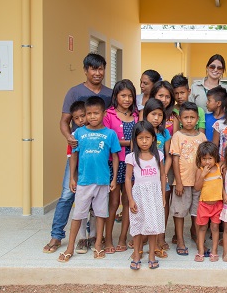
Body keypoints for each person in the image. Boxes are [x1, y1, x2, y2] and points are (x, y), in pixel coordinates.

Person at [43, 53, 112, 254]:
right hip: (79, 152)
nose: (97, 73)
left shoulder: (109, 94)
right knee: (67, 194)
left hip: (100, 153)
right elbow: (64, 121)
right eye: (93, 69)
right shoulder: (74, 92)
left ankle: (88, 237)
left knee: (98, 196)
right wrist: (69, 138)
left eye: (100, 69)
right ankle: (56, 236)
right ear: (85, 70)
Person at [57, 96, 121, 263]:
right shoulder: (78, 133)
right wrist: (72, 177)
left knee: (101, 214)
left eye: (96, 113)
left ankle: (98, 244)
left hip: (102, 181)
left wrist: (113, 179)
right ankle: (70, 247)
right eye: (89, 114)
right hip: (84, 181)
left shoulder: (110, 134)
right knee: (78, 215)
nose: (92, 117)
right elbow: (73, 155)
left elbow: (115, 157)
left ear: (103, 113)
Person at [102, 79, 138, 255]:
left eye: (130, 95)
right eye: (123, 95)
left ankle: (123, 237)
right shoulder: (108, 115)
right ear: (116, 96)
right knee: (113, 202)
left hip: (132, 164)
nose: (127, 99)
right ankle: (108, 238)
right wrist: (130, 142)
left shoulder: (136, 116)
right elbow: (108, 140)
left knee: (127, 202)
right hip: (115, 164)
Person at [125, 121, 166, 270]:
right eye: (140, 138)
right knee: (137, 224)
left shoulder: (158, 155)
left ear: (153, 138)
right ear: (135, 139)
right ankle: (136, 254)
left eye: (147, 137)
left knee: (153, 225)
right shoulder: (131, 157)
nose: (144, 141)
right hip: (139, 196)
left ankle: (152, 255)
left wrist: (162, 195)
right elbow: (128, 179)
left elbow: (162, 174)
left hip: (154, 195)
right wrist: (130, 199)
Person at [169, 102, 207, 257]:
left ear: (197, 118)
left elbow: (206, 159)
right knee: (179, 213)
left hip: (199, 182)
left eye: (192, 117)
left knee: (197, 213)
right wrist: (178, 181)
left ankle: (199, 241)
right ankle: (180, 241)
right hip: (183, 182)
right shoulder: (177, 136)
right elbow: (175, 160)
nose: (189, 120)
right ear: (180, 118)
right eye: (186, 117)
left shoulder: (202, 136)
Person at [66, 101, 97, 255]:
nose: (80, 120)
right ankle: (82, 238)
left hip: (96, 177)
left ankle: (94, 236)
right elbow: (72, 157)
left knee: (95, 209)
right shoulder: (75, 137)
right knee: (82, 209)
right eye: (76, 118)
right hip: (82, 177)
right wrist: (73, 178)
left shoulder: (99, 133)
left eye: (82, 116)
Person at [142, 98, 172, 255]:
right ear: (146, 114)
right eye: (153, 114)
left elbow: (169, 156)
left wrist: (164, 173)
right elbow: (135, 154)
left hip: (160, 177)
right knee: (144, 207)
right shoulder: (140, 130)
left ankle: (160, 237)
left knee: (162, 206)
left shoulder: (165, 133)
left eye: (160, 115)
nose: (156, 118)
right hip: (144, 177)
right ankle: (145, 235)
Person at [193, 142, 223, 263]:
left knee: (215, 227)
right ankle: (200, 251)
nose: (207, 162)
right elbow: (197, 187)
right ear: (200, 159)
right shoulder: (200, 171)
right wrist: (203, 175)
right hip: (204, 204)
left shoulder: (219, 168)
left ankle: (214, 251)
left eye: (210, 158)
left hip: (217, 204)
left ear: (215, 157)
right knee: (202, 228)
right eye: (204, 159)